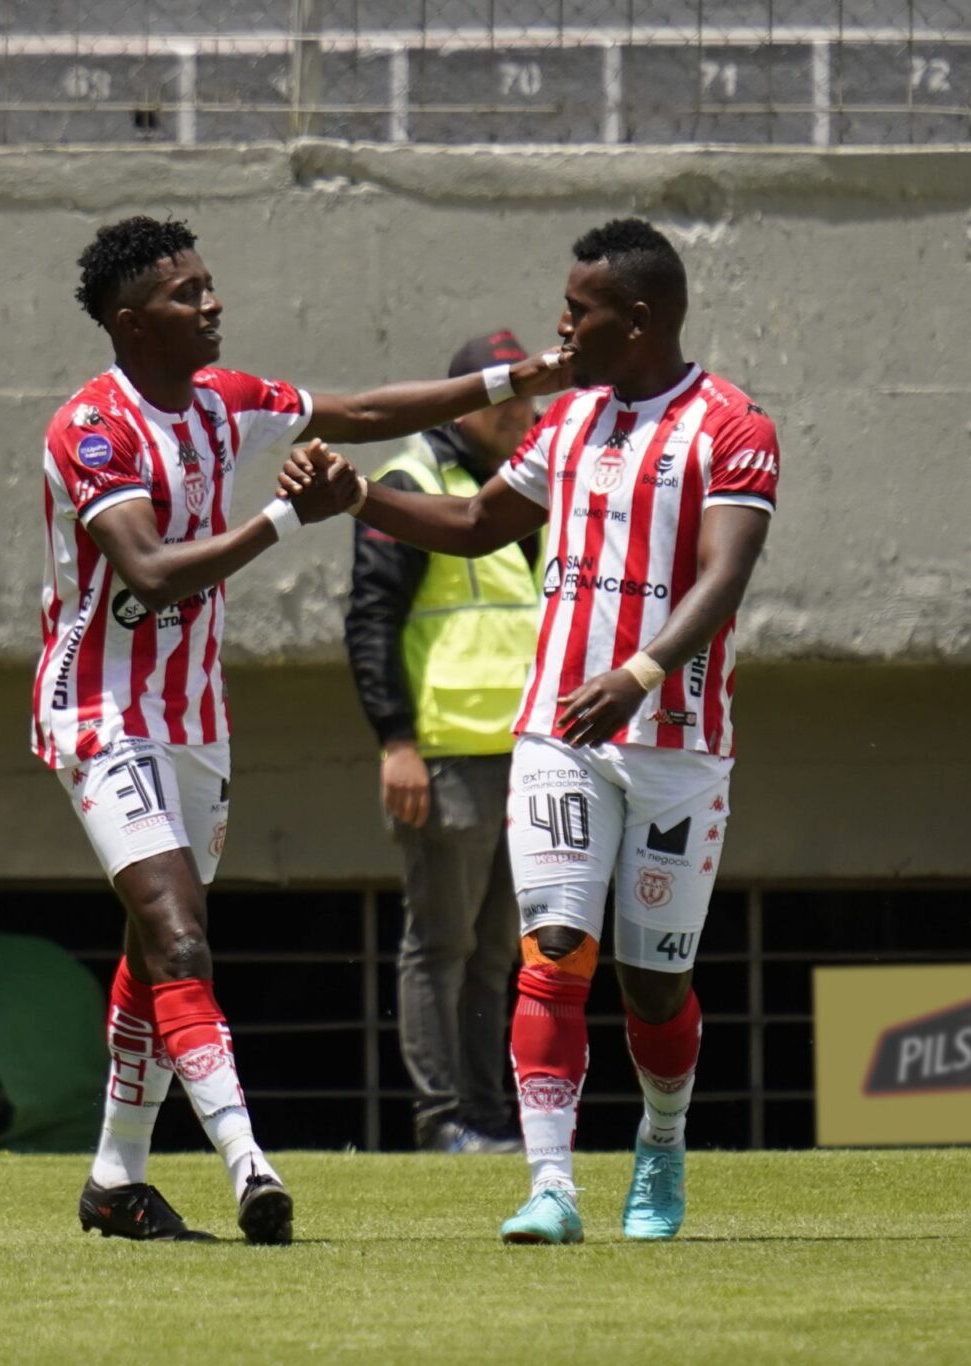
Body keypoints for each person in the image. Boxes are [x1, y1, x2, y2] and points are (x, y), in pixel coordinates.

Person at [40, 216, 571, 1245]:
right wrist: (288, 519)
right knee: (181, 934)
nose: (211, 303)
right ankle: (249, 1163)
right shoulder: (92, 429)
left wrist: (521, 378)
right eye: (186, 293)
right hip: (101, 715)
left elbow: (364, 410)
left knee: (156, 949)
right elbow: (149, 574)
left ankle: (114, 1179)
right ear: (131, 323)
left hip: (194, 721)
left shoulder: (224, 401)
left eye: (208, 283)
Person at [283, 218, 779, 1244]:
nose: (561, 327)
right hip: (559, 732)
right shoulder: (568, 421)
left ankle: (661, 1142)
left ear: (635, 318)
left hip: (676, 742)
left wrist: (640, 674)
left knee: (654, 987)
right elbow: (475, 525)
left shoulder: (731, 427)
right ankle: (550, 1184)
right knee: (552, 952)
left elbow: (724, 576)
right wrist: (358, 496)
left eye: (577, 310)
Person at [343, 330, 542, 1155]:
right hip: (446, 754)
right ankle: (443, 1122)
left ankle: (489, 1120)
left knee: (497, 951)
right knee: (441, 946)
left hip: (526, 752)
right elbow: (371, 619)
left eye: (528, 399)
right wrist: (397, 743)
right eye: (505, 400)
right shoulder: (413, 482)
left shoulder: (530, 480)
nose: (522, 414)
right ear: (467, 404)